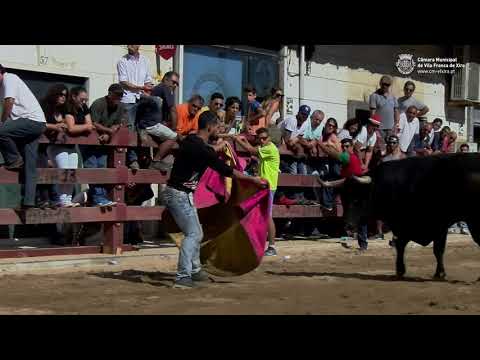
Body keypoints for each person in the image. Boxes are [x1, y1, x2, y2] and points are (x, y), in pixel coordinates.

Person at [162, 110, 265, 289]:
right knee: (193, 234)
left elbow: (207, 151)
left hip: (182, 193)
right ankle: (182, 276)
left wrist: (221, 144)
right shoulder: (200, 148)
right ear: (209, 127)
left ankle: (194, 271)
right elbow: (226, 171)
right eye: (217, 126)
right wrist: (252, 179)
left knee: (196, 233)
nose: (219, 129)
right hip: (179, 194)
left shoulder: (192, 141)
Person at [0, 64, 47, 209]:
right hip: (36, 124)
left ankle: (14, 160)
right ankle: (29, 201)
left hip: (31, 121)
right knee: (30, 166)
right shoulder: (3, 86)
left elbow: (9, 102)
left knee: (1, 131)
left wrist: (3, 123)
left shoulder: (9, 78)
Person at [234, 127, 280, 256]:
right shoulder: (266, 147)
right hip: (263, 186)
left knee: (267, 216)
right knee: (258, 214)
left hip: (268, 187)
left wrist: (238, 140)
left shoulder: (270, 148)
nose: (262, 141)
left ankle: (272, 246)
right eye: (260, 139)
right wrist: (244, 140)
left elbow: (251, 150)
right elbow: (253, 149)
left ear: (269, 138)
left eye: (264, 138)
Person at [317, 137, 368, 251]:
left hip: (356, 189)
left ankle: (361, 242)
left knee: (358, 214)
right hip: (348, 189)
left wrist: (320, 144)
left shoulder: (349, 157)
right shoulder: (349, 158)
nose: (345, 148)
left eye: (347, 146)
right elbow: (345, 180)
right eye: (343, 146)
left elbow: (333, 154)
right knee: (349, 213)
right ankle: (351, 238)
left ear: (351, 147)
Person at [84, 83, 128, 206]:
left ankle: (100, 198)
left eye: (120, 96)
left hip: (104, 143)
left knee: (102, 170)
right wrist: (108, 131)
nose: (119, 98)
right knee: (93, 170)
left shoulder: (120, 106)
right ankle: (98, 198)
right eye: (117, 95)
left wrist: (109, 134)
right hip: (90, 143)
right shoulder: (99, 103)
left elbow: (118, 124)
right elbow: (94, 123)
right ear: (110, 94)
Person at [117, 45, 154, 170]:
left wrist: (146, 91)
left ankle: (145, 157)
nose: (129, 46)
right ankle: (132, 160)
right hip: (128, 99)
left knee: (144, 127)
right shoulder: (122, 61)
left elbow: (148, 80)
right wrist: (143, 88)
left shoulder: (146, 60)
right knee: (130, 129)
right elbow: (124, 83)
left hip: (142, 98)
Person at [38, 83, 69, 208]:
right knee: (43, 170)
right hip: (40, 145)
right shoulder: (44, 106)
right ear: (53, 94)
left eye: (65, 95)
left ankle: (56, 199)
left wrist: (63, 125)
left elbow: (69, 124)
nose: (63, 97)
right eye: (60, 94)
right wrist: (55, 127)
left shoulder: (63, 110)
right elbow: (39, 124)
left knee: (58, 172)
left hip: (53, 146)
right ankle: (43, 199)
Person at [375, 134, 405, 242]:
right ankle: (379, 233)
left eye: (394, 143)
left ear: (397, 144)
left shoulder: (402, 157)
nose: (392, 145)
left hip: (397, 188)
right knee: (380, 210)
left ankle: (396, 236)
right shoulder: (384, 159)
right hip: (385, 187)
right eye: (390, 143)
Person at [279, 104, 311, 174]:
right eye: (302, 114)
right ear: (298, 112)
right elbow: (286, 140)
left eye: (306, 115)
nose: (304, 116)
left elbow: (299, 137)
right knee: (293, 172)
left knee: (303, 172)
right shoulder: (292, 120)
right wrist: (296, 145)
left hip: (291, 148)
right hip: (280, 144)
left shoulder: (305, 124)